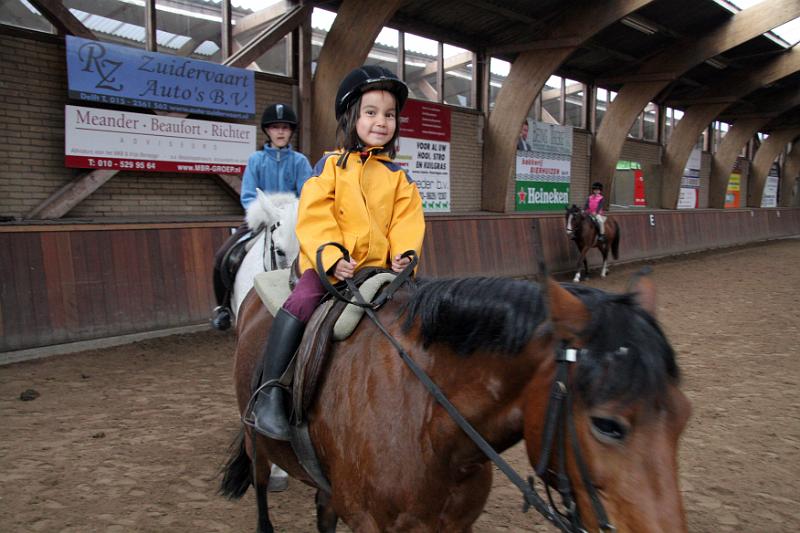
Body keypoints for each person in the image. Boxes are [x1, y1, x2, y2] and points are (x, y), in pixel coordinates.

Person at [252, 65, 426, 440]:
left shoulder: (401, 178)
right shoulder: (329, 167)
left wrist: (405, 255)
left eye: (389, 115)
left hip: (382, 270)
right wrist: (331, 257)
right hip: (334, 269)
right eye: (371, 112)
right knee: (302, 301)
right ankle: (270, 395)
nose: (381, 121)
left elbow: (407, 222)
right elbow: (316, 215)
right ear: (351, 117)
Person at [211, 103, 313, 331]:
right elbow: (248, 195)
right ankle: (223, 308)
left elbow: (307, 195)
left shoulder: (300, 162)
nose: (280, 132)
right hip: (260, 219)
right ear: (267, 130)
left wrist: (289, 215)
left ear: (291, 131)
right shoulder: (256, 160)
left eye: (285, 128)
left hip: (292, 223)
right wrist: (263, 213)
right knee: (222, 256)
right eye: (275, 127)